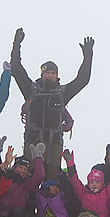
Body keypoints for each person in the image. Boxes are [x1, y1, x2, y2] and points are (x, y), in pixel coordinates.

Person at [10, 27, 94, 179]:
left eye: (53, 73)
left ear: (57, 75)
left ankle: (51, 203)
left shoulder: (62, 93)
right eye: (47, 72)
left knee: (53, 177)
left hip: (54, 142)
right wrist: (17, 44)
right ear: (42, 74)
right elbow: (16, 69)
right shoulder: (31, 90)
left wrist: (88, 58)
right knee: (27, 175)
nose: (50, 75)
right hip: (32, 139)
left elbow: (83, 80)